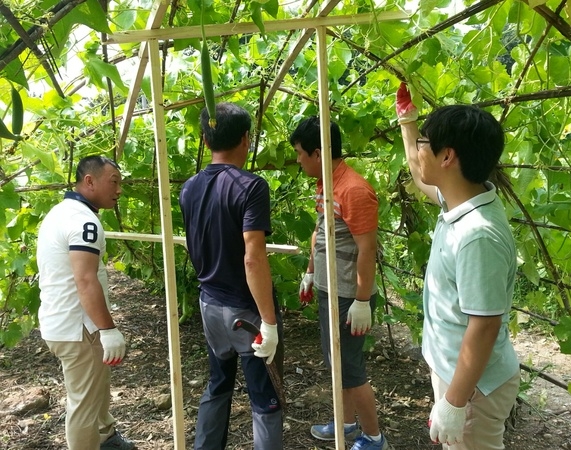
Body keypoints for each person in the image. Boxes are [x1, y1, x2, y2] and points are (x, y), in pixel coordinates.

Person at [395, 83, 520, 450]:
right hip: (460, 376)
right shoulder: (459, 200)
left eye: (424, 142)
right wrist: (408, 123)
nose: (419, 148)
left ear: (447, 157)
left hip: (474, 387)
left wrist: (454, 402)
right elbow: (421, 179)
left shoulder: (478, 236)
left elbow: (483, 326)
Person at [179, 102, 283, 450]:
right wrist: (268, 321)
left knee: (218, 383)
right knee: (264, 397)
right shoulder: (250, 187)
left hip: (209, 302)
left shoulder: (189, 187)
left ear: (205, 140)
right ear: (245, 139)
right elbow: (253, 258)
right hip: (244, 310)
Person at [291, 116, 390, 450]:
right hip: (329, 288)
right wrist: (310, 271)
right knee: (337, 363)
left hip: (348, 295)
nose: (298, 160)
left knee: (350, 368)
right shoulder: (327, 183)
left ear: (318, 153)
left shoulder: (354, 189)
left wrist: (362, 300)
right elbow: (321, 232)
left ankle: (374, 437)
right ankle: (346, 424)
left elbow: (367, 248)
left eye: (300, 154)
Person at [37, 155, 135, 450]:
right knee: (83, 403)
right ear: (89, 181)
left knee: (94, 388)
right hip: (78, 328)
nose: (118, 190)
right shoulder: (83, 221)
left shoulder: (63, 212)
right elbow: (85, 279)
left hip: (62, 321)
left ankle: (105, 437)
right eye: (113, 182)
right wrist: (107, 329)